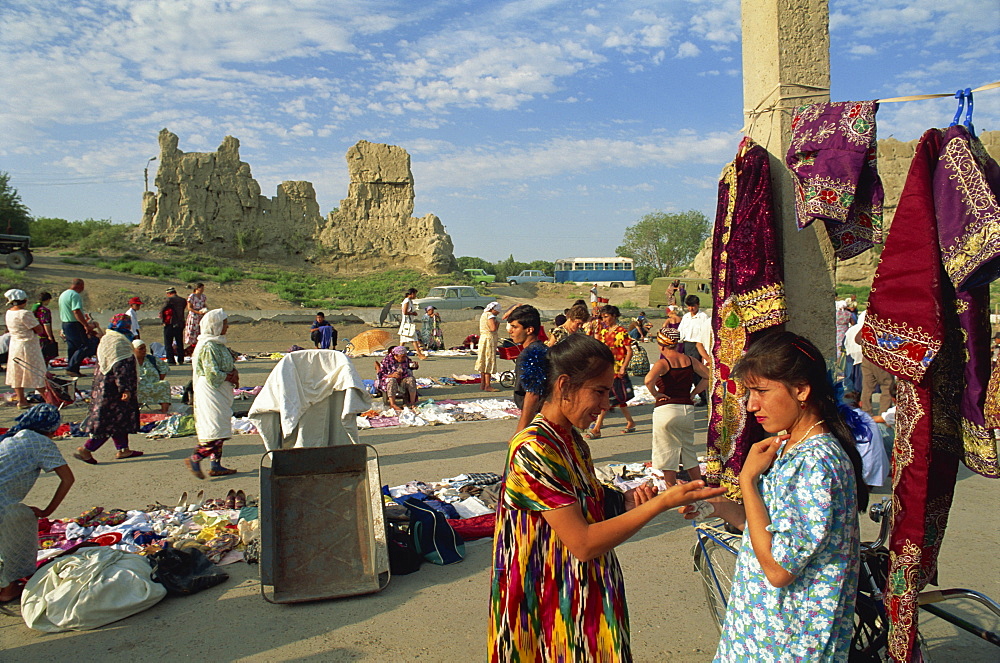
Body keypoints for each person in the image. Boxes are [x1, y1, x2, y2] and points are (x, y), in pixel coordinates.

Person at [488, 333, 725, 660]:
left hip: (578, 593)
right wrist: (660, 504)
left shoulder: (569, 439)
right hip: (548, 599)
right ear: (564, 386)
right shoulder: (535, 448)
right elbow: (582, 542)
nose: (605, 405)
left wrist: (626, 501)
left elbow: (589, 501)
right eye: (599, 391)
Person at [682, 331, 867, 662]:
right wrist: (716, 503)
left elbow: (780, 568)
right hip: (762, 628)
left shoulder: (815, 462)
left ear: (801, 390)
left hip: (790, 640)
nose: (751, 405)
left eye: (761, 392)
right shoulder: (789, 446)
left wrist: (748, 480)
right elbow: (764, 528)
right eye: (750, 392)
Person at [0, 404, 74, 603]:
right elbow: (67, 479)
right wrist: (46, 511)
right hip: (2, 505)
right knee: (20, 525)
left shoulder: (12, 438)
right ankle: (7, 587)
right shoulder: (41, 443)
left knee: (17, 517)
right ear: (52, 428)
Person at [73, 314, 143, 463]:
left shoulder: (107, 337)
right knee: (109, 421)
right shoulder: (119, 342)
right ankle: (86, 449)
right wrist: (125, 389)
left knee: (119, 419)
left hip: (102, 385)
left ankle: (123, 449)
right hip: (113, 389)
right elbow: (121, 367)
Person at [645, 328, 709, 486]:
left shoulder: (663, 363)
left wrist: (655, 394)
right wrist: (694, 392)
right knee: (688, 450)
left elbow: (648, 380)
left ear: (662, 346)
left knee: (667, 451)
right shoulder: (690, 360)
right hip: (686, 409)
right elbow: (709, 375)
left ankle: (671, 487)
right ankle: (699, 484)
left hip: (666, 409)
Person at [184, 309, 239, 479]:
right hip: (211, 390)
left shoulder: (217, 344)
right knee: (215, 429)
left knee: (220, 426)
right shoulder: (207, 346)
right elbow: (212, 374)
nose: (227, 327)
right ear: (215, 325)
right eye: (224, 323)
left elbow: (228, 361)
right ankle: (195, 458)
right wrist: (230, 375)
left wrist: (234, 372)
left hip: (220, 390)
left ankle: (216, 465)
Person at [587, 305, 636, 439]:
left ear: (614, 316)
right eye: (603, 317)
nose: (605, 319)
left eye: (607, 317)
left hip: (617, 368)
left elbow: (629, 351)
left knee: (607, 398)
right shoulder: (604, 331)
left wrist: (623, 367)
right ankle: (630, 421)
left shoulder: (621, 331)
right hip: (606, 368)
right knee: (617, 397)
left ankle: (597, 428)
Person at [5, 289, 46, 409]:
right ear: (25, 300)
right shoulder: (24, 313)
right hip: (28, 345)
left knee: (16, 372)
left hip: (15, 344)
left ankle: (21, 400)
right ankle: (48, 399)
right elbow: (39, 329)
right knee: (36, 370)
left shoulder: (9, 313)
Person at [841, 391, 889, 490]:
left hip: (863, 472)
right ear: (860, 403)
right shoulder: (867, 417)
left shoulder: (847, 418)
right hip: (878, 470)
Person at [508, 305, 546, 432]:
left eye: (515, 327)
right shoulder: (542, 349)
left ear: (529, 330)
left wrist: (520, 430)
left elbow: (533, 394)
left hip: (539, 417)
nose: (510, 331)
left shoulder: (530, 354)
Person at [58, 278, 96, 378]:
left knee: (72, 347)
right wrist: (85, 324)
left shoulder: (64, 294)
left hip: (65, 323)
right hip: (74, 323)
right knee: (84, 345)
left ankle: (73, 369)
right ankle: (71, 367)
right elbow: (76, 311)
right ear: (79, 286)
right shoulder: (75, 295)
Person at [678, 294, 711, 406]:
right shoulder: (686, 317)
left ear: (698, 305)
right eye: (689, 306)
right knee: (687, 372)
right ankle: (689, 396)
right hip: (687, 345)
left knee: (699, 373)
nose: (691, 309)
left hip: (698, 347)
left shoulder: (704, 318)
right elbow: (681, 332)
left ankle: (704, 398)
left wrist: (704, 355)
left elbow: (705, 336)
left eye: (693, 306)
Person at [133, 339, 171, 413]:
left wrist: (159, 379)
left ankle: (164, 411)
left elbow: (164, 368)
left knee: (164, 384)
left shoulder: (151, 359)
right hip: (138, 386)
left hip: (152, 385)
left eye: (144, 348)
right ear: (134, 350)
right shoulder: (130, 361)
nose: (144, 350)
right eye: (141, 349)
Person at [376, 346, 419, 411]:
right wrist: (391, 375)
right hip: (389, 380)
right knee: (392, 381)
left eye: (405, 356)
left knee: (411, 379)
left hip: (402, 378)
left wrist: (415, 366)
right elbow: (381, 374)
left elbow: (410, 366)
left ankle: (412, 403)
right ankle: (392, 404)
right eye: (402, 357)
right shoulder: (387, 361)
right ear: (395, 355)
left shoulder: (406, 359)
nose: (404, 358)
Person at [475, 302, 500, 392]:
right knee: (488, 361)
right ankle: (488, 385)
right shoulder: (490, 315)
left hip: (483, 339)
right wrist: (497, 324)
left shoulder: (484, 314)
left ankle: (483, 384)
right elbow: (493, 328)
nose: (498, 313)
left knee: (483, 360)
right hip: (489, 340)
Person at [160, 286, 187, 366]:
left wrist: (163, 321)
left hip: (170, 324)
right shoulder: (183, 300)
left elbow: (162, 310)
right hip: (180, 323)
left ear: (169, 293)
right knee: (179, 342)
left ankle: (171, 360)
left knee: (168, 342)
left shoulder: (169, 300)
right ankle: (181, 359)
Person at [398, 288, 426, 359]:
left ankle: (397, 353)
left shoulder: (409, 301)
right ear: (412, 293)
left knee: (403, 340)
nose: (415, 296)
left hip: (408, 322)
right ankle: (419, 354)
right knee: (414, 339)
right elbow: (404, 312)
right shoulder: (406, 301)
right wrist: (413, 313)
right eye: (415, 294)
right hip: (407, 323)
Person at [31, 291, 58, 362]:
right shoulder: (44, 311)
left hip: (36, 335)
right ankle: (45, 371)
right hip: (43, 335)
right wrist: (49, 336)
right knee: (46, 354)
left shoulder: (34, 309)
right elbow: (46, 324)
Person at [184, 282, 208, 351]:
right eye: (201, 288)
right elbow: (189, 307)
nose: (203, 290)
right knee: (193, 330)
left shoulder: (203, 296)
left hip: (201, 316)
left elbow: (203, 304)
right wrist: (197, 312)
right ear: (197, 288)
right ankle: (192, 346)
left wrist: (205, 310)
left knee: (200, 330)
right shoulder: (192, 296)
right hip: (194, 316)